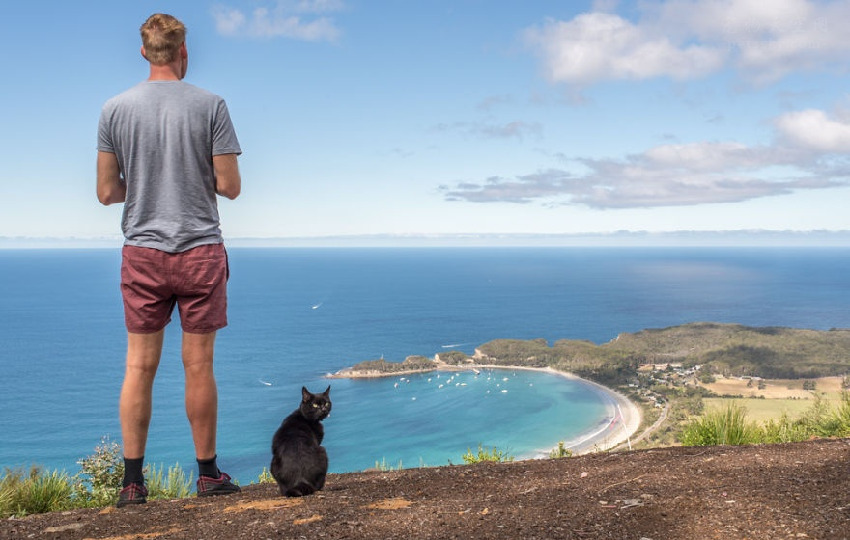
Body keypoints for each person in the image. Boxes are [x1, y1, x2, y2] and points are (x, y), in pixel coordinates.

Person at [96, 13, 242, 507]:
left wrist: (143, 182)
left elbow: (105, 192)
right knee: (198, 367)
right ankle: (207, 476)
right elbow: (230, 187)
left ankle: (132, 484)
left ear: (143, 51)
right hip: (200, 249)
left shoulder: (114, 109)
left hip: (143, 252)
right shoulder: (211, 105)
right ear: (183, 50)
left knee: (139, 367)